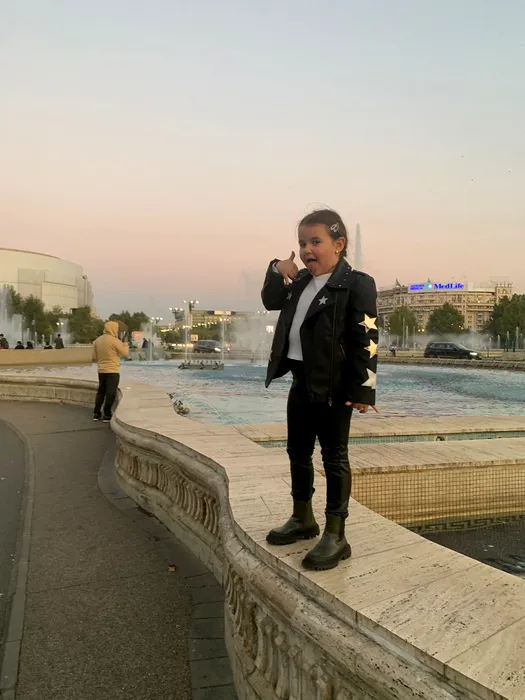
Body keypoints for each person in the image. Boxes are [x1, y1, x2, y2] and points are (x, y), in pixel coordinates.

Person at [262, 208, 378, 571]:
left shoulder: (356, 284)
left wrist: (363, 390)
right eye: (302, 243)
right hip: (300, 382)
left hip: (333, 388)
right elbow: (270, 300)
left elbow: (366, 339)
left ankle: (335, 534)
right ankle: (302, 517)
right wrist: (275, 268)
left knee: (334, 457)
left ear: (339, 244)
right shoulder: (298, 282)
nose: (307, 250)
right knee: (297, 452)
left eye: (315, 241)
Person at [91, 321, 129, 422]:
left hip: (101, 370)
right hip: (112, 370)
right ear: (113, 329)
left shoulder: (98, 341)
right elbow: (125, 353)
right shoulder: (115, 341)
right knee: (110, 393)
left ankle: (96, 413)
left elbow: (94, 357)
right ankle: (107, 414)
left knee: (101, 392)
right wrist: (125, 343)